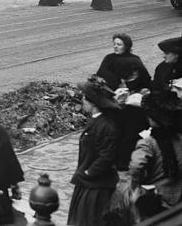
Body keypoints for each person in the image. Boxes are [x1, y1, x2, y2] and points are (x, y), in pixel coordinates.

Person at [67, 75, 120, 226]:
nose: (82, 100)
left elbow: (106, 156)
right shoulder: (97, 120)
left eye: (85, 97)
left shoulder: (105, 125)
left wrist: (89, 172)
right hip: (89, 182)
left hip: (96, 187)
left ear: (93, 102)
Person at [96, 33, 153, 170]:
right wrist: (115, 87)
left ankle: (124, 162)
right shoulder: (109, 59)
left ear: (127, 46)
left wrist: (136, 90)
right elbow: (101, 76)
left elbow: (144, 79)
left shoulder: (135, 60)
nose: (116, 46)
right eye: (114, 43)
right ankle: (111, 160)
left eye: (119, 44)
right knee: (113, 132)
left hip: (131, 104)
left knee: (129, 133)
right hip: (113, 102)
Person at [126, 90, 182, 220]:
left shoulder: (148, 143)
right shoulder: (179, 137)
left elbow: (136, 166)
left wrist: (135, 186)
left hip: (157, 199)